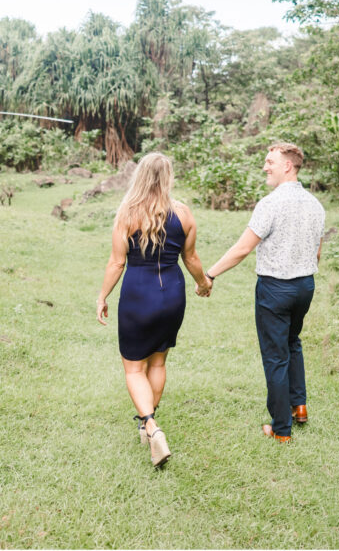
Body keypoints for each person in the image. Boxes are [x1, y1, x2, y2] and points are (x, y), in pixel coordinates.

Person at [202, 142, 324, 443]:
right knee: (293, 342)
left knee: (275, 356)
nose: (265, 167)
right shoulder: (316, 204)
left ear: (288, 165)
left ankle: (281, 429)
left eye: (270, 161)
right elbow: (317, 253)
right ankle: (300, 406)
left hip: (275, 289)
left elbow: (243, 248)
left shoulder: (270, 204)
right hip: (305, 286)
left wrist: (209, 274)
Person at [96, 153, 211, 467]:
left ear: (140, 176)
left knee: (134, 368)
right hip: (172, 295)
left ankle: (151, 426)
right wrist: (203, 283)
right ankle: (147, 427)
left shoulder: (127, 214)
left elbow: (117, 262)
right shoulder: (184, 214)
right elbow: (191, 259)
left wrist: (102, 296)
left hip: (137, 294)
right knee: (158, 361)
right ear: (169, 177)